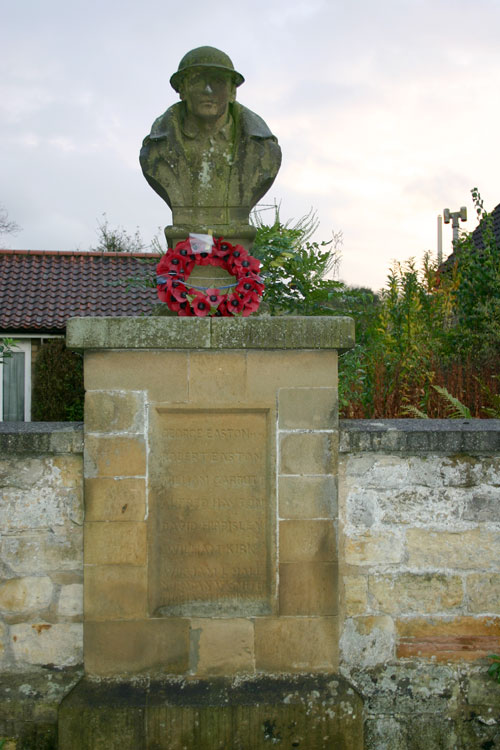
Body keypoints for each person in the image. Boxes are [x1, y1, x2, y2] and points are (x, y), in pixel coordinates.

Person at [139, 46, 281, 244]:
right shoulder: (156, 151)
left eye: (217, 81)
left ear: (232, 91)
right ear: (182, 89)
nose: (208, 90)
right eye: (198, 80)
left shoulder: (263, 152)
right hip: (186, 248)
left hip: (235, 251)